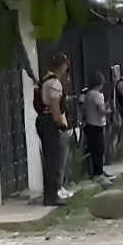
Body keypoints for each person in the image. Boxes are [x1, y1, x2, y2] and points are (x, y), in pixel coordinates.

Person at [35, 53, 72, 206]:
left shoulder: (44, 80)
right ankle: (52, 196)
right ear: (62, 66)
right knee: (54, 161)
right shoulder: (55, 84)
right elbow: (55, 110)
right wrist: (61, 125)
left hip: (42, 120)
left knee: (48, 159)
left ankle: (49, 195)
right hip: (50, 123)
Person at [81, 71, 112, 184]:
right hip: (97, 125)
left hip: (89, 125)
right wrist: (108, 111)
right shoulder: (97, 95)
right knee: (99, 150)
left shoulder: (88, 94)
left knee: (94, 150)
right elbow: (101, 111)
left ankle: (96, 172)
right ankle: (98, 173)